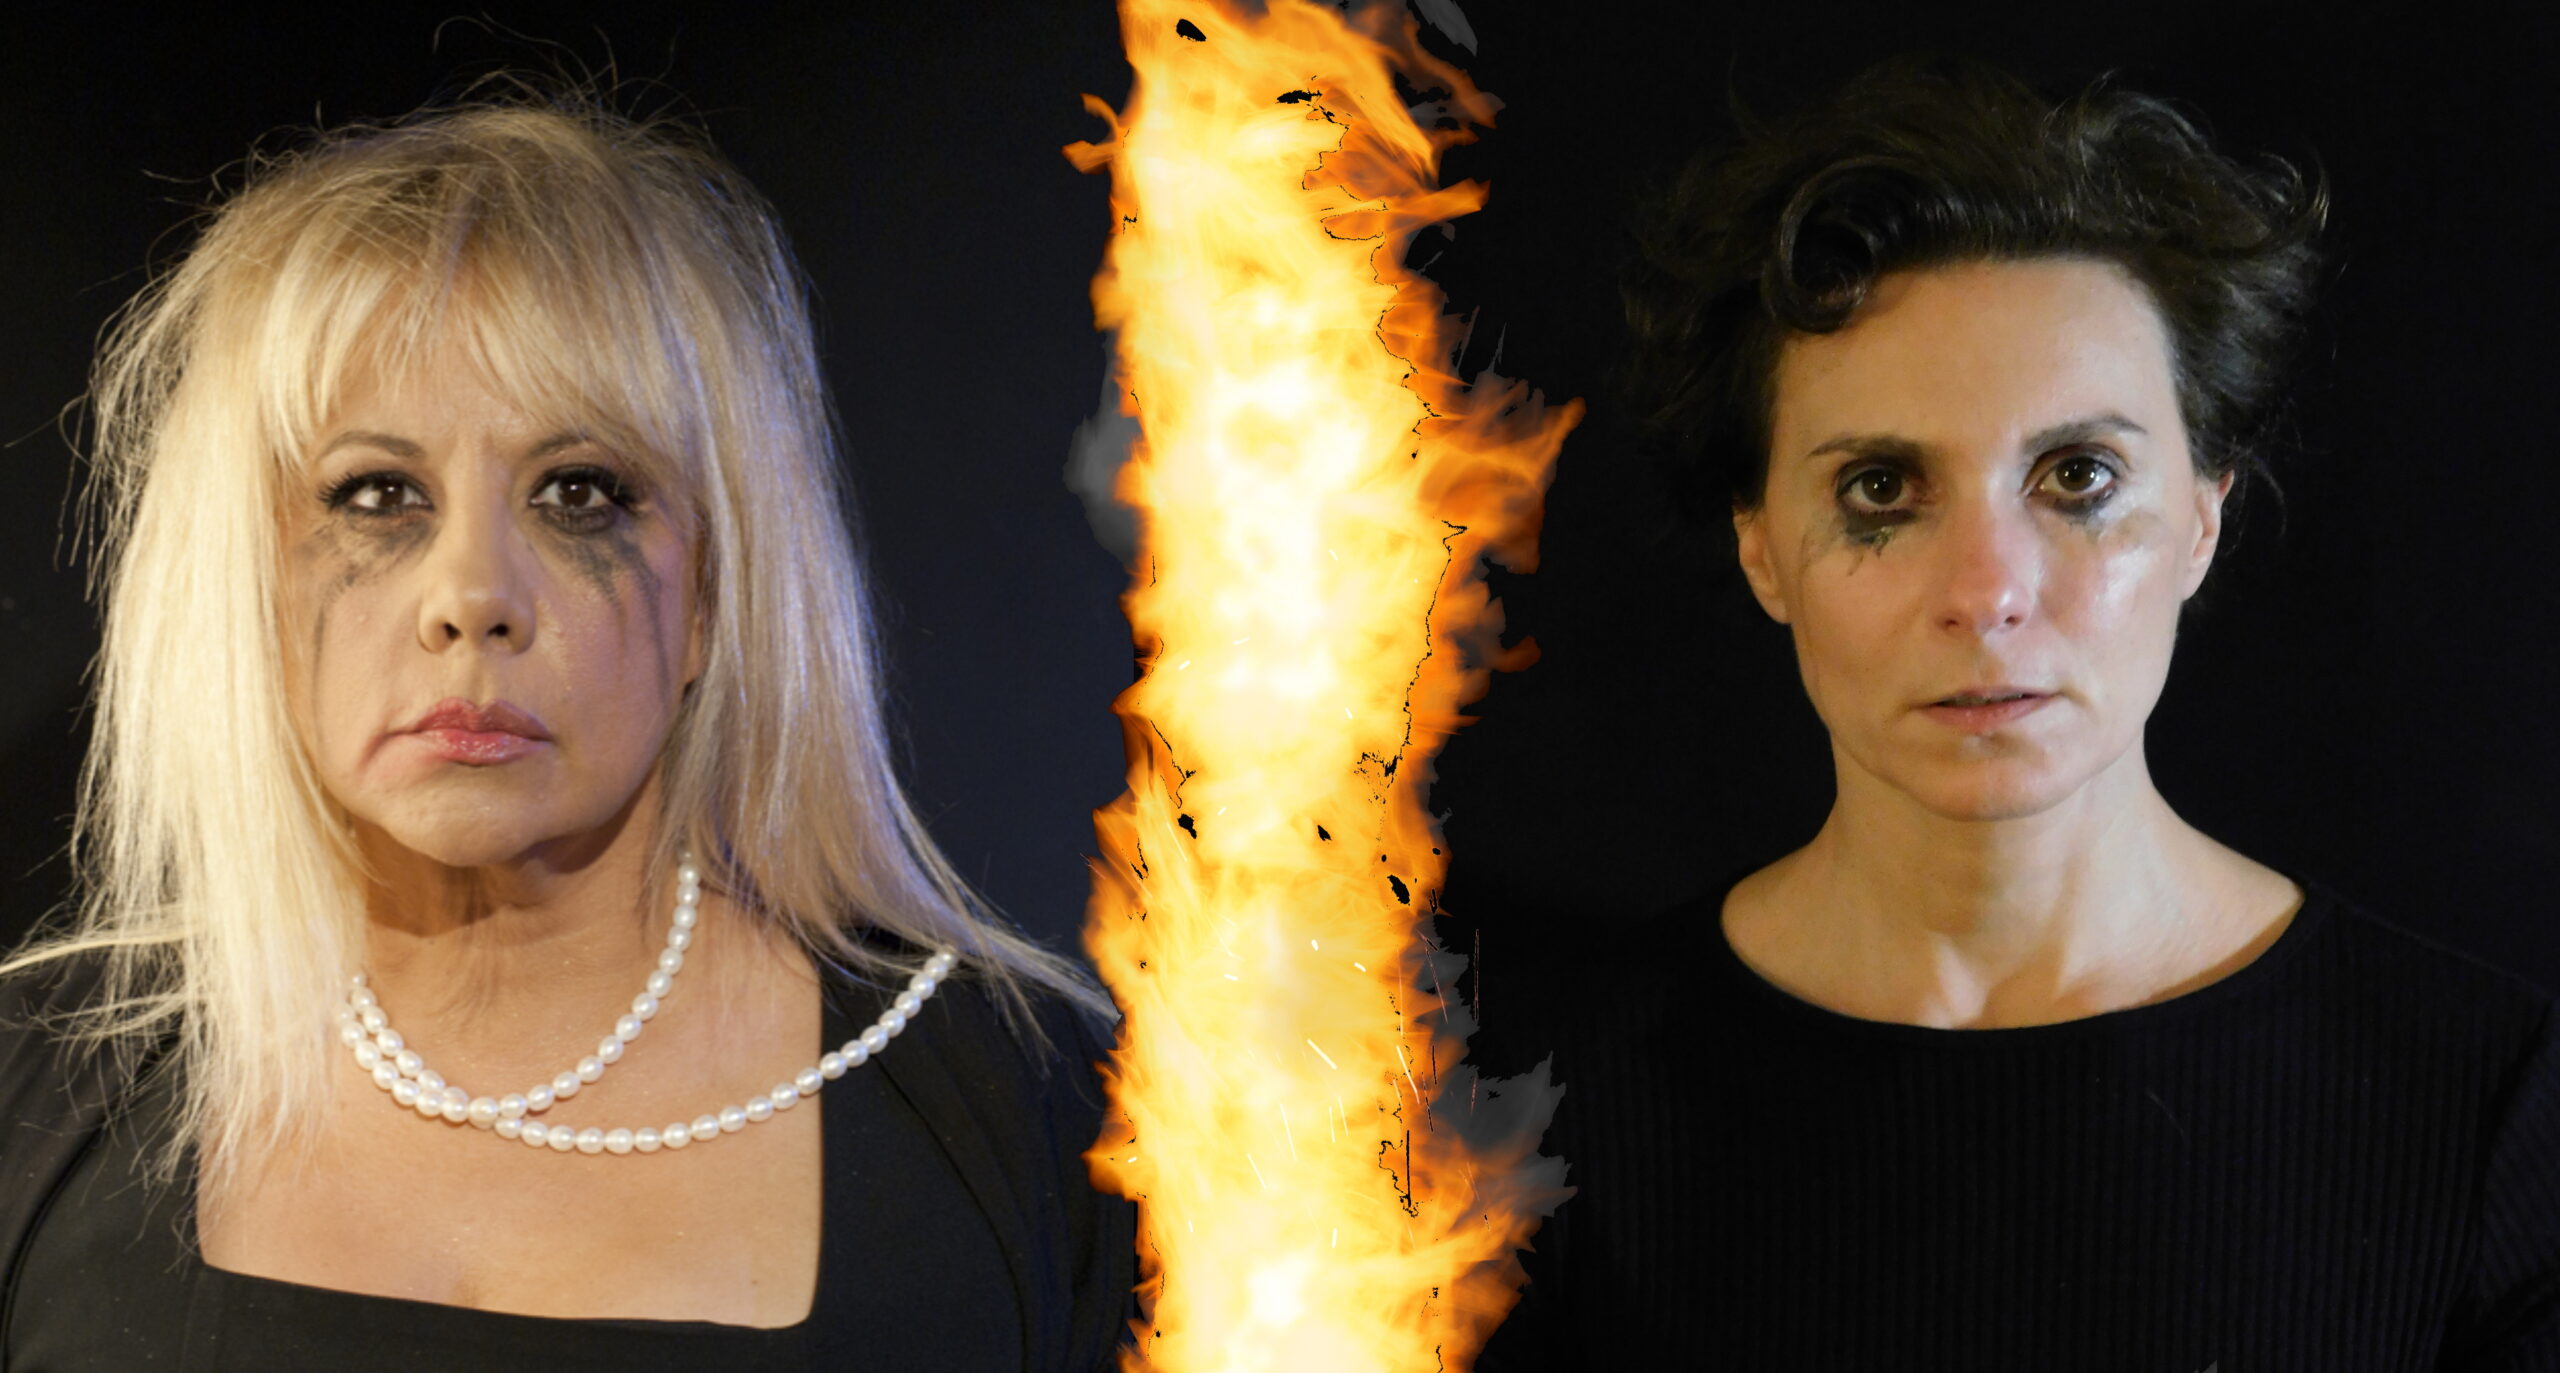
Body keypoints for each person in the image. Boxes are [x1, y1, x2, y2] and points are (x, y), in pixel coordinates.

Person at [0, 92, 1134, 1369]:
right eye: (376, 494)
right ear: (243, 576)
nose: (472, 596)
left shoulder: (1046, 1118)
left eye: (580, 492)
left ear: (714, 593)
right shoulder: (32, 1093)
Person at [1477, 54, 2560, 1369]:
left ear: (2202, 520)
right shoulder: (1525, 1112)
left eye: (2080, 476)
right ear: (1761, 548)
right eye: (1881, 490)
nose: (1986, 593)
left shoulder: (2492, 1108)